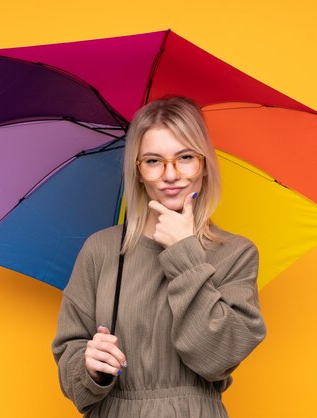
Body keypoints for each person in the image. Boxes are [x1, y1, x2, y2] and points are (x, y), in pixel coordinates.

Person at [52, 96, 266, 417]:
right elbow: (71, 363)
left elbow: (217, 358)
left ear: (204, 165)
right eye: (153, 161)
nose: (170, 174)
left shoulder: (236, 253)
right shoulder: (101, 249)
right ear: (137, 172)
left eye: (185, 157)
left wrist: (184, 252)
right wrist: (90, 366)